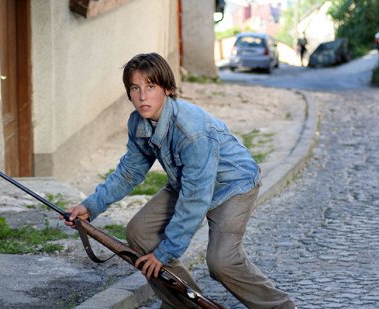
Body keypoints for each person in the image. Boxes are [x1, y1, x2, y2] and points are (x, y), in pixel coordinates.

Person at [63, 53, 297, 308]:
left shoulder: (191, 132)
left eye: (150, 87)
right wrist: (90, 206)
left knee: (222, 262)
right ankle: (191, 305)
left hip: (233, 186)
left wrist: (164, 253)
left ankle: (280, 307)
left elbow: (196, 198)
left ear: (167, 89)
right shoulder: (138, 122)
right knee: (139, 232)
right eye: (135, 88)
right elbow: (130, 171)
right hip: (188, 183)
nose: (142, 96)